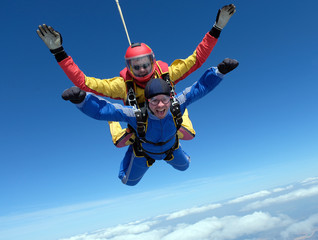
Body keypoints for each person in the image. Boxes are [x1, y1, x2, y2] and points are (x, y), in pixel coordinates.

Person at [37, 4, 236, 148]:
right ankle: (114, 123)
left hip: (166, 112)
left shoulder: (166, 74)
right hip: (139, 122)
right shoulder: (123, 85)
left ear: (153, 61)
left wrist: (217, 28)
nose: (141, 69)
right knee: (120, 142)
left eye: (145, 64)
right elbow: (85, 83)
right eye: (135, 66)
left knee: (187, 130)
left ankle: (180, 114)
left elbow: (197, 59)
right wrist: (59, 52)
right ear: (128, 67)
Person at [62, 58, 239, 186]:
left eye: (164, 99)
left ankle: (179, 124)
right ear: (147, 102)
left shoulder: (177, 103)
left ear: (170, 98)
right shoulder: (136, 114)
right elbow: (102, 110)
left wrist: (219, 72)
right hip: (144, 153)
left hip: (172, 148)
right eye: (154, 101)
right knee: (127, 181)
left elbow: (200, 88)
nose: (160, 105)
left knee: (185, 167)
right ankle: (121, 130)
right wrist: (81, 100)